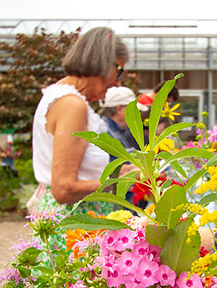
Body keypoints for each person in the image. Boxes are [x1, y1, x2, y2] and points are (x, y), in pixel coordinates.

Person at [32, 27, 129, 219]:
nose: (118, 83)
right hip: (75, 223)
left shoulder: (59, 95)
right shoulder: (72, 105)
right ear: (101, 63)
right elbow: (64, 190)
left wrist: (123, 171)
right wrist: (118, 180)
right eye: (119, 72)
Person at [99, 86, 149, 207]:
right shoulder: (105, 132)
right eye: (133, 110)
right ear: (119, 108)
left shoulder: (117, 131)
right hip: (112, 202)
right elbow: (107, 171)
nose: (136, 116)